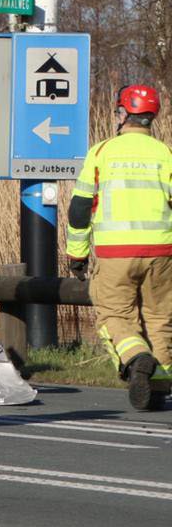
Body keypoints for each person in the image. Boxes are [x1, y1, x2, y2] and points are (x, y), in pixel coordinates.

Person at [65, 85, 172, 411]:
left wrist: (77, 254)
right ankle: (158, 386)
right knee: (159, 318)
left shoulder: (101, 152)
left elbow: (80, 209)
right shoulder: (164, 153)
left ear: (124, 114)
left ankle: (136, 357)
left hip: (115, 253)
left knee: (114, 314)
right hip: (162, 252)